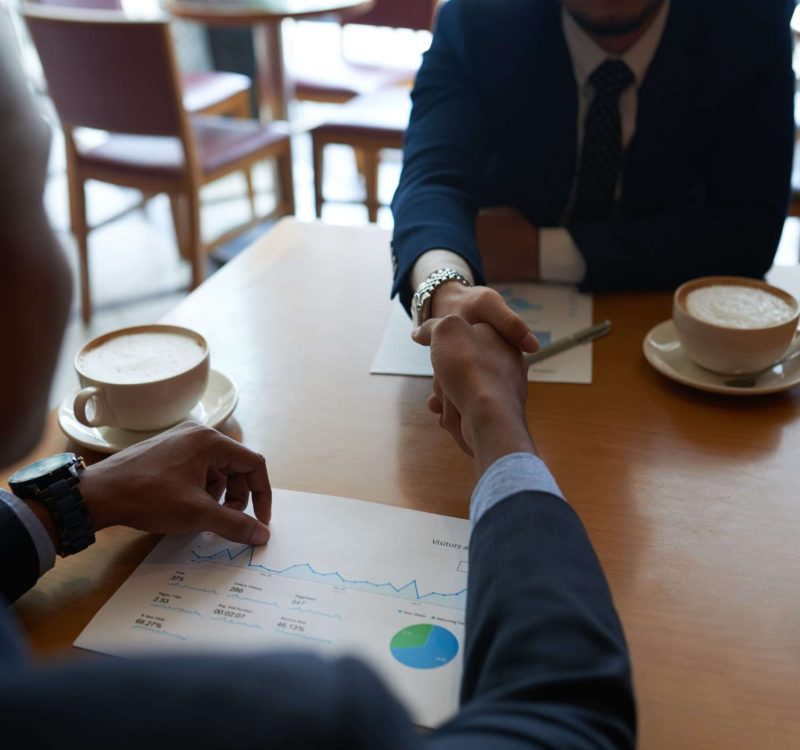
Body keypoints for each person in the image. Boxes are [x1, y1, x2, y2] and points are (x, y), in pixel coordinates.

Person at [0, 14, 635, 747]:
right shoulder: (306, 719)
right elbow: (571, 718)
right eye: (36, 195)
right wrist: (499, 425)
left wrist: (69, 506)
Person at [391, 0, 795, 349]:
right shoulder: (479, 20)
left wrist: (541, 252)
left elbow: (749, 234)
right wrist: (446, 289)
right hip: (508, 314)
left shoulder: (749, 23)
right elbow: (431, 179)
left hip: (669, 328)